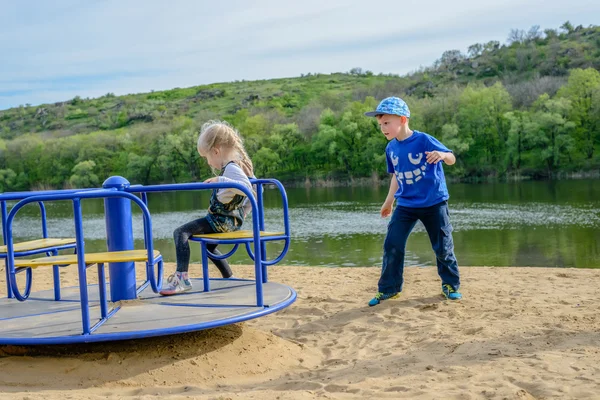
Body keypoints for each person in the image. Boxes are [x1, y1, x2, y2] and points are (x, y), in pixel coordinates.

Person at [364, 97, 462, 306]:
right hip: (406, 205)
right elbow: (396, 176)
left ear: (402, 120)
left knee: (443, 247)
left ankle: (450, 285)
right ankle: (389, 290)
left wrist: (442, 155)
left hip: (434, 202)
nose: (382, 128)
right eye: (380, 124)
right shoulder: (391, 148)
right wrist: (388, 201)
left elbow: (452, 158)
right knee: (392, 244)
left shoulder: (424, 140)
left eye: (386, 123)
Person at [160, 120, 256, 296]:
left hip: (218, 221)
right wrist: (242, 214)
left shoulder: (231, 169)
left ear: (216, 151)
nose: (209, 163)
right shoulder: (237, 167)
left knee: (180, 233)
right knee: (209, 248)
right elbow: (258, 190)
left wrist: (220, 181)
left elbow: (247, 188)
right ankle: (229, 276)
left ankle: (181, 278)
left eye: (207, 157)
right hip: (229, 222)